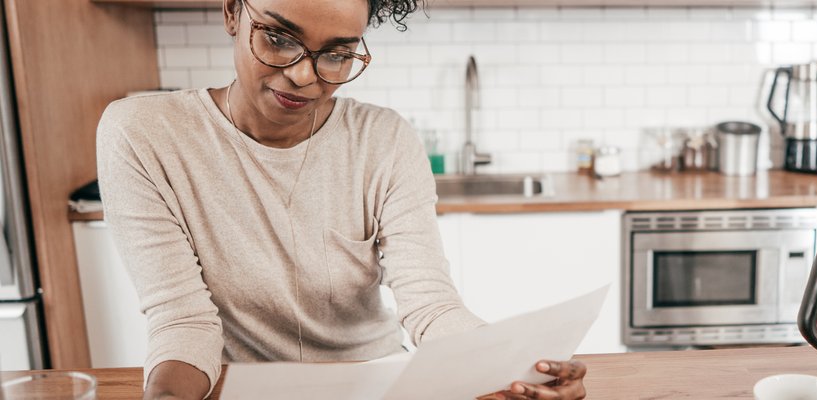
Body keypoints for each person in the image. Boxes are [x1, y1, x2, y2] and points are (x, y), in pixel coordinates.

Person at [95, 1, 587, 399]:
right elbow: (182, 320)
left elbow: (429, 305)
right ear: (231, 12)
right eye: (279, 39)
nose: (304, 76)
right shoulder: (143, 133)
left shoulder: (384, 139)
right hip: (241, 387)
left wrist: (515, 369)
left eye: (336, 53)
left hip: (379, 382)